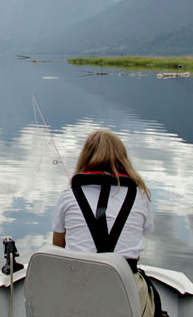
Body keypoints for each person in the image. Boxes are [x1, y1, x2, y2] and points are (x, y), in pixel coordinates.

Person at [52, 129, 159, 317]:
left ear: (85, 158)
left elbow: (58, 248)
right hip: (127, 288)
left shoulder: (68, 197)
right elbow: (144, 231)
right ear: (122, 159)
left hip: (78, 287)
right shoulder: (139, 197)